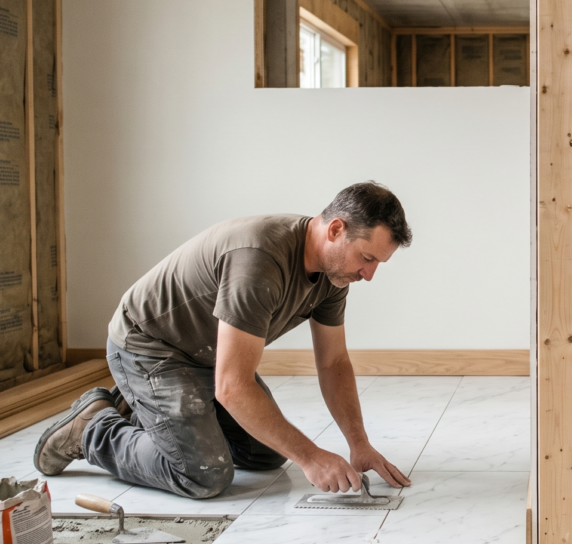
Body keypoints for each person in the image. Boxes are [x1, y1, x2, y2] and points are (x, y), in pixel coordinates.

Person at [33, 182, 414, 498]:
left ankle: (148, 412)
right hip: (150, 349)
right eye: (367, 258)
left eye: (378, 263)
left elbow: (333, 363)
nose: (369, 275)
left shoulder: (334, 275)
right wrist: (311, 457)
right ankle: (94, 429)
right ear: (336, 230)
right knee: (204, 475)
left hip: (207, 356)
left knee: (265, 454)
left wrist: (358, 444)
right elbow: (232, 387)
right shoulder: (260, 260)